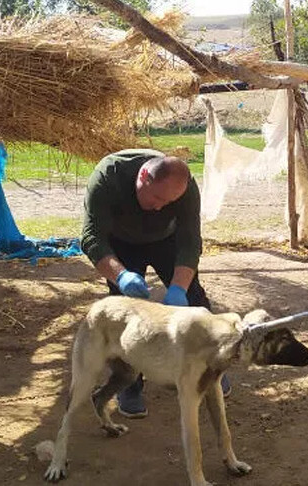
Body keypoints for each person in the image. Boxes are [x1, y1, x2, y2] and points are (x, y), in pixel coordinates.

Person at [81, 148, 231, 418]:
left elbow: (189, 242)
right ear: (143, 177)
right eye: (158, 198)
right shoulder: (108, 177)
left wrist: (179, 288)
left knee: (195, 301)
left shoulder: (184, 188)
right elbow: (92, 238)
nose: (161, 206)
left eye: (169, 202)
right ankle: (129, 384)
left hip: (166, 240)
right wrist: (120, 275)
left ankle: (210, 368)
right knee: (126, 317)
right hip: (122, 243)